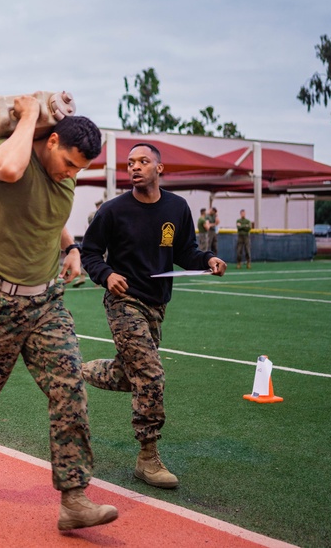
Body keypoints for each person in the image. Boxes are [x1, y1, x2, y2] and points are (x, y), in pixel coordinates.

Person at [0, 97, 117, 532]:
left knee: (69, 385)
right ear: (50, 140)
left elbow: (49, 216)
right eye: (70, 163)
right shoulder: (8, 155)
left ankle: (73, 497)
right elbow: (10, 171)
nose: (73, 174)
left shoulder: (64, 177)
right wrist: (31, 114)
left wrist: (71, 247)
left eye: (80, 169)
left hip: (46, 304)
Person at [80, 142, 226, 490]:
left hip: (157, 304)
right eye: (131, 162)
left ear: (160, 169)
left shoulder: (177, 207)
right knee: (151, 374)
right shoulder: (113, 210)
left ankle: (75, 370)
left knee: (131, 375)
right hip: (123, 301)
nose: (135, 167)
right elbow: (89, 252)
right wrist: (107, 274)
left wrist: (206, 260)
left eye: (144, 161)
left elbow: (185, 251)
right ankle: (147, 458)